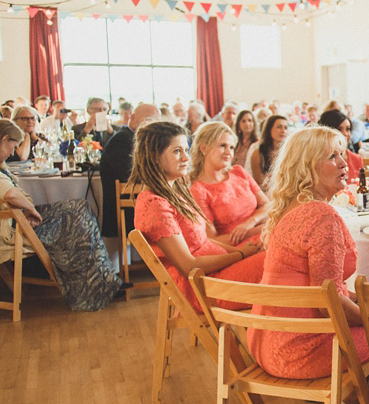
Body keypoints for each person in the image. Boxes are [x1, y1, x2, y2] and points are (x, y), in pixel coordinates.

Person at [247, 127, 369, 379]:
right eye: (332, 157)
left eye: (342, 154)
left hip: (265, 340)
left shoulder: (290, 208)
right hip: (299, 350)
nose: (344, 162)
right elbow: (327, 304)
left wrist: (364, 303)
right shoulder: (321, 215)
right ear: (307, 167)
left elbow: (322, 289)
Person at [131, 120, 264, 313]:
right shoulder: (154, 205)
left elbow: (203, 243)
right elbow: (188, 266)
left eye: (186, 150)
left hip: (217, 273)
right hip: (204, 286)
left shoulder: (174, 192)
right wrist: (241, 254)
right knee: (281, 262)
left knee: (280, 253)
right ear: (154, 156)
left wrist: (242, 251)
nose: (186, 157)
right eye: (177, 151)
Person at [0, 119, 123, 311]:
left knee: (80, 207)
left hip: (15, 221)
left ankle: (103, 282)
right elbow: (10, 193)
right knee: (76, 220)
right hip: (10, 230)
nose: (13, 152)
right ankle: (92, 290)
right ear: (4, 139)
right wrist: (32, 210)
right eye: (12, 146)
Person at [189, 122, 269, 246]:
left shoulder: (238, 171)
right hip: (240, 247)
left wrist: (250, 222)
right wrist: (255, 230)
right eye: (222, 146)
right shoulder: (198, 190)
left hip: (265, 231)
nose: (228, 152)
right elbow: (212, 240)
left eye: (231, 147)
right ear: (203, 148)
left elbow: (267, 205)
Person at [99, 103, 161, 238]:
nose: (152, 126)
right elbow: (133, 175)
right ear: (132, 118)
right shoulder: (121, 140)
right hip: (128, 211)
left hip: (137, 205)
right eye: (148, 120)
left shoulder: (135, 139)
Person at [318, 109, 363, 182]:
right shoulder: (321, 161)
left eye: (348, 129)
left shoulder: (357, 159)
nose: (345, 134)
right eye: (339, 129)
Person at [249, 114, 288, 187]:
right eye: (279, 127)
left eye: (285, 128)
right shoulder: (257, 154)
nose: (283, 131)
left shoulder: (290, 153)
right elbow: (260, 182)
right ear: (269, 129)